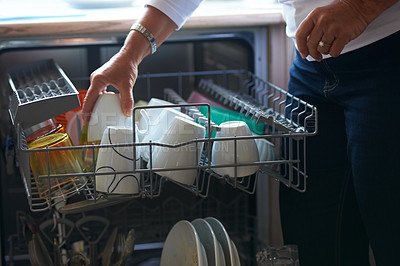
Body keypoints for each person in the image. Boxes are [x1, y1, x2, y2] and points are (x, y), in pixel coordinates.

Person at [81, 0, 400, 265]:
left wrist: (359, 8)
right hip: (311, 67)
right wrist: (129, 55)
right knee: (316, 241)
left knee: (391, 232)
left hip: (386, 58)